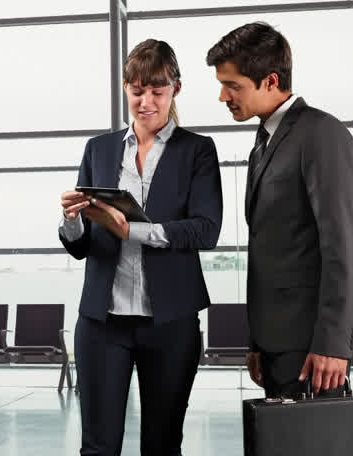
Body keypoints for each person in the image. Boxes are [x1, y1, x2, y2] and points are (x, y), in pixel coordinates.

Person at [58, 39, 223, 456]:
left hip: (169, 323)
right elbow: (81, 249)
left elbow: (205, 230)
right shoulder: (99, 148)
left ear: (175, 90)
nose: (145, 101)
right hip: (101, 322)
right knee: (98, 446)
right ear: (125, 89)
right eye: (136, 91)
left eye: (157, 91)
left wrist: (129, 229)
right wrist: (72, 220)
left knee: (163, 445)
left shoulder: (197, 150)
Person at [205, 22, 353, 398]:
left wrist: (333, 343)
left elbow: (341, 247)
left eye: (233, 85)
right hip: (277, 342)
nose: (223, 96)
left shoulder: (321, 135)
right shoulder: (264, 144)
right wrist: (257, 342)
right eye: (221, 85)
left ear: (271, 81)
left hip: (312, 346)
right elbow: (271, 251)